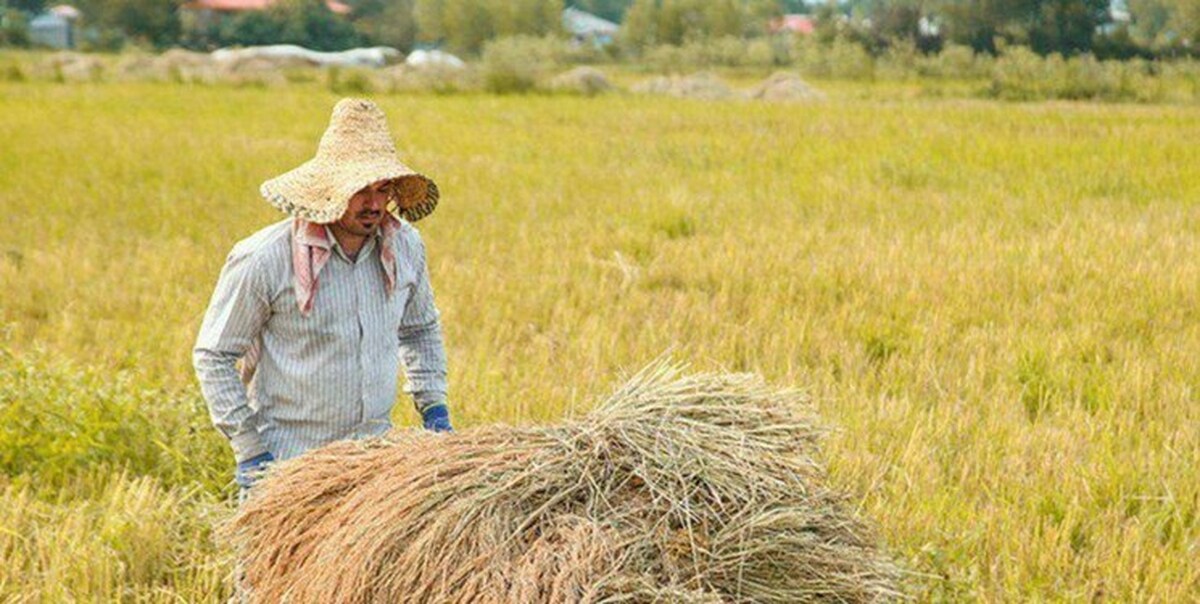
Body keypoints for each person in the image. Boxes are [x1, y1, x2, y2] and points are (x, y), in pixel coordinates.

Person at [193, 98, 451, 502]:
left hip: (372, 463)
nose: (373, 204)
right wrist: (249, 451)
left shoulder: (405, 248)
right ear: (330, 190)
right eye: (360, 190)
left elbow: (419, 329)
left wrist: (434, 408)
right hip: (288, 464)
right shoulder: (264, 258)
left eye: (382, 189)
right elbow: (214, 354)